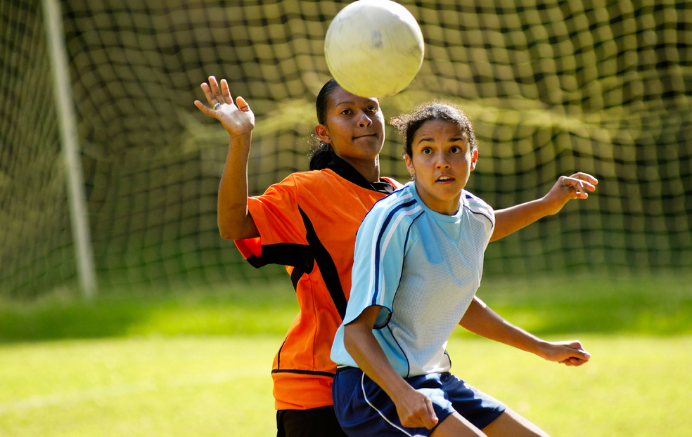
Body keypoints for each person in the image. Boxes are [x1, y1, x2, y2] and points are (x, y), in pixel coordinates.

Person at [194, 78, 597, 437]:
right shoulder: (308, 191)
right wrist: (239, 139)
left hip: (399, 375)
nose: (364, 119)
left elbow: (474, 232)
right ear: (324, 132)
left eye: (371, 108)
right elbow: (234, 224)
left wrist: (546, 205)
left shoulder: (402, 195)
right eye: (347, 112)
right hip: (321, 384)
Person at [330, 102, 594, 437]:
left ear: (473, 157)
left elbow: (464, 298)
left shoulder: (476, 214)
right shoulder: (393, 220)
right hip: (375, 387)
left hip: (432, 378)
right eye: (427, 150)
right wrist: (402, 394)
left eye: (454, 148)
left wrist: (544, 347)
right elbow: (355, 333)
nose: (442, 161)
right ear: (409, 163)